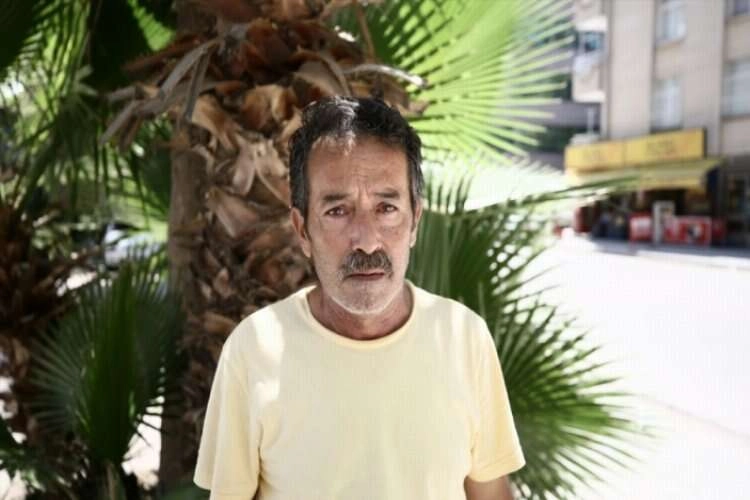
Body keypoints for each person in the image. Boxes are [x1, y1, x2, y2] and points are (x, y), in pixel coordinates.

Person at [194, 96, 525, 500]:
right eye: (338, 211)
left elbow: (491, 494)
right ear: (302, 230)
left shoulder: (465, 337)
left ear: (415, 222)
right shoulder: (251, 350)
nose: (367, 241)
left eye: (386, 207)